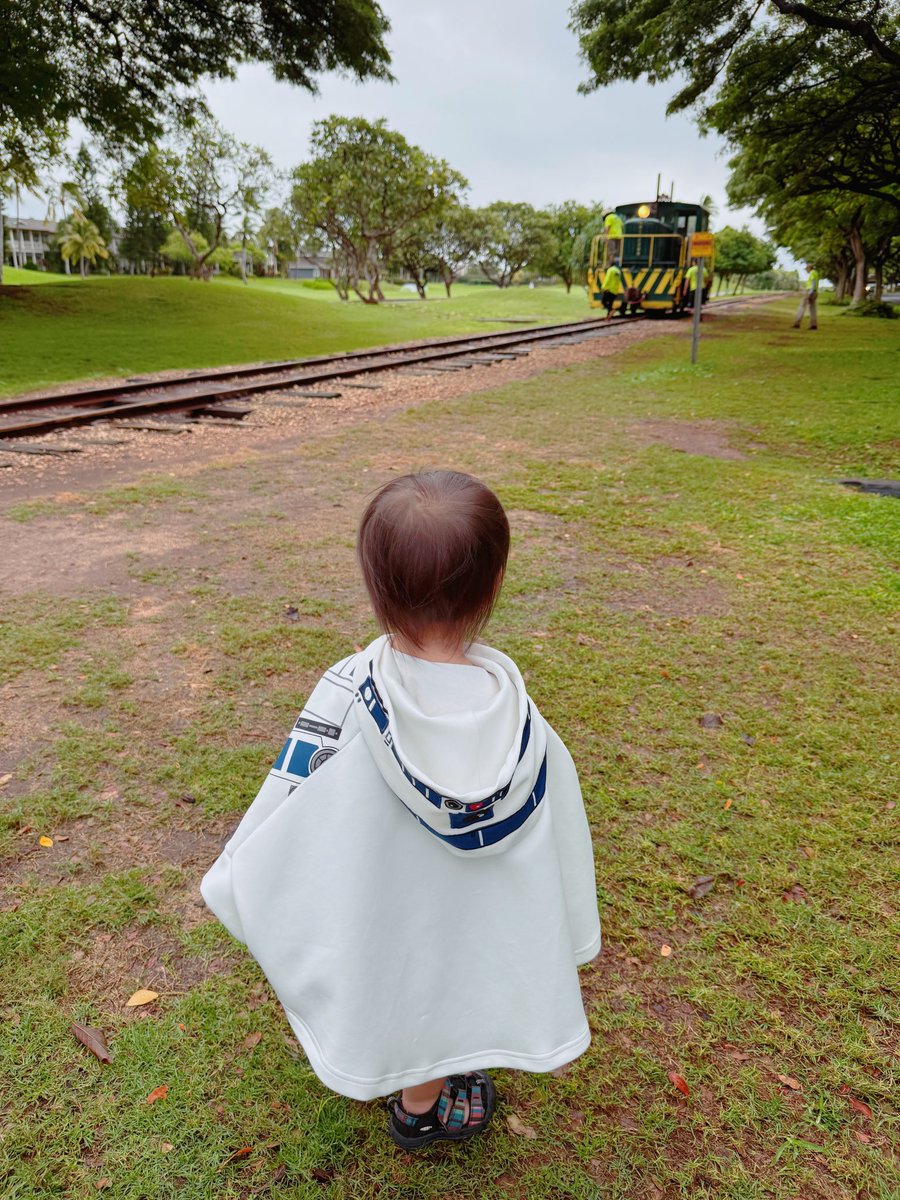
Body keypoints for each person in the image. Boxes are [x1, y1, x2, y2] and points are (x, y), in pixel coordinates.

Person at [201, 470, 601, 1151]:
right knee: (459, 957)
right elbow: (552, 826)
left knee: (407, 961)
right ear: (496, 584)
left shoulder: (350, 693)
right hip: (470, 911)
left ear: (374, 585)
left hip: (386, 895)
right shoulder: (517, 712)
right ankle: (439, 1090)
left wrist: (245, 873)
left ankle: (420, 1105)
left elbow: (295, 793)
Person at [793, 264, 819, 329]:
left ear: (809, 268)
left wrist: (810, 293)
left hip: (810, 291)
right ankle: (813, 324)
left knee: (802, 306)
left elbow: (813, 282)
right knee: (812, 309)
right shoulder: (816, 273)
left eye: (806, 269)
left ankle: (797, 323)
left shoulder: (812, 273)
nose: (806, 270)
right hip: (815, 292)